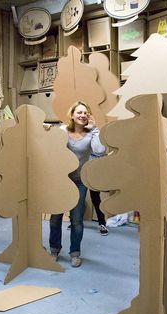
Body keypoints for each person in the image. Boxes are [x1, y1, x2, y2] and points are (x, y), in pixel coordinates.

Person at [44, 101, 106, 267]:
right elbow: (51, 147)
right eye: (79, 112)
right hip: (61, 180)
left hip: (79, 181)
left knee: (77, 219)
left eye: (86, 113)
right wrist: (48, 132)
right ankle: (54, 250)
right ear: (72, 115)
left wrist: (94, 128)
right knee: (55, 218)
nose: (83, 115)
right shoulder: (63, 131)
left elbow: (100, 151)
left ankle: (75, 253)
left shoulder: (91, 133)